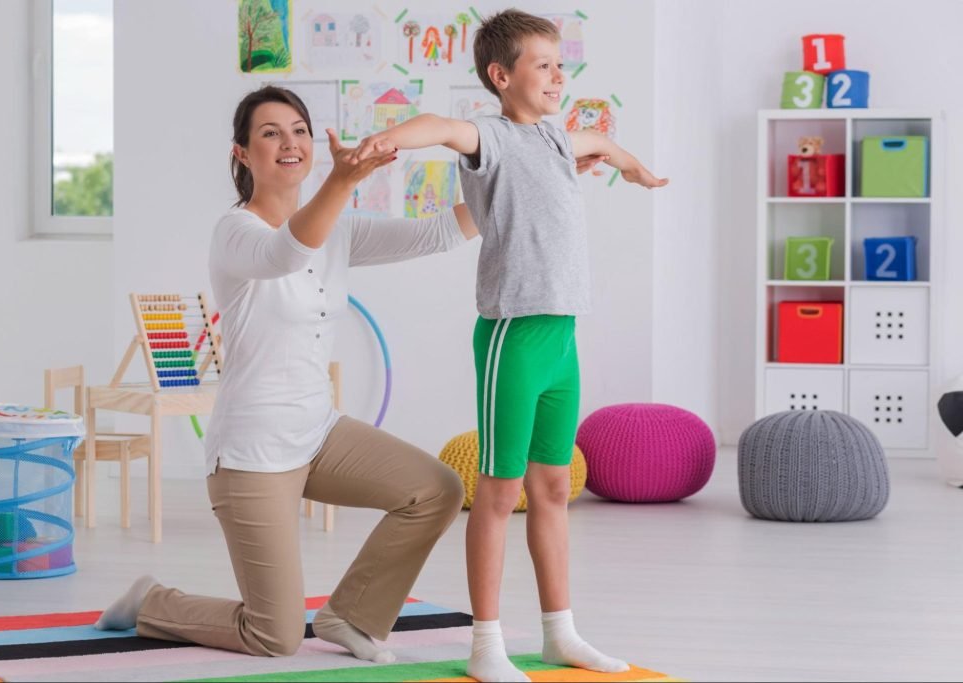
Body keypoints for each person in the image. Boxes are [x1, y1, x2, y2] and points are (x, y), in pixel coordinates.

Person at [92, 85, 474, 664]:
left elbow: (439, 232)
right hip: (251, 452)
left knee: (436, 489)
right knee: (274, 635)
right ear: (242, 154)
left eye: (298, 129)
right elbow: (286, 254)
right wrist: (343, 182)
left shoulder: (337, 227)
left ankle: (352, 616)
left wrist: (534, 172)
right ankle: (152, 601)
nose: (289, 143)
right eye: (270, 133)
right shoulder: (235, 231)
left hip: (318, 433)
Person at [351, 9, 669, 682]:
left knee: (553, 486)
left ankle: (561, 633)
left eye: (561, 64)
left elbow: (602, 145)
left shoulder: (556, 141)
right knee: (498, 492)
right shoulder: (487, 137)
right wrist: (386, 139)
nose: (559, 76)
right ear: (501, 76)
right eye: (543, 65)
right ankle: (486, 643)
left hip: (563, 337)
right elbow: (436, 127)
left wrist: (636, 169)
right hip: (512, 336)